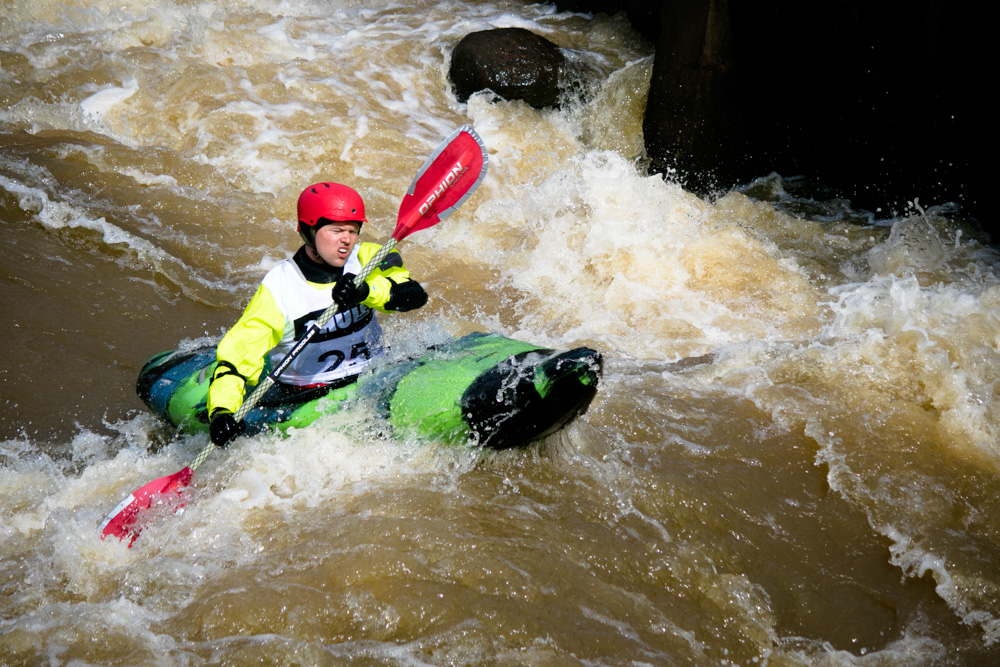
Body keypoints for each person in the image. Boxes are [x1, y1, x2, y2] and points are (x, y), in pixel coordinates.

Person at [206, 182, 428, 447]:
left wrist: (365, 291)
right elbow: (238, 357)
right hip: (307, 395)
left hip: (375, 375)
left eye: (353, 230)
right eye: (336, 230)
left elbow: (413, 295)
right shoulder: (280, 287)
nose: (347, 239)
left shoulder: (369, 258)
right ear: (308, 232)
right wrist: (222, 411)